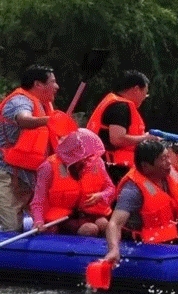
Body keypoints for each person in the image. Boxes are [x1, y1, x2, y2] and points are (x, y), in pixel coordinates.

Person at [102, 140, 178, 264]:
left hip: (174, 234)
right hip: (147, 245)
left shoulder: (168, 171)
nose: (169, 162)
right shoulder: (133, 189)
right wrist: (113, 249)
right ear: (146, 166)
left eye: (167, 157)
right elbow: (115, 223)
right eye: (163, 159)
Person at [0, 65, 63, 232]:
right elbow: (24, 119)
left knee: (49, 225)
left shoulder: (44, 106)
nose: (57, 87)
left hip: (34, 177)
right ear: (38, 84)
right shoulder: (20, 101)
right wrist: (52, 120)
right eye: (53, 82)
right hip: (8, 175)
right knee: (11, 228)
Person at [30, 129, 114, 236]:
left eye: (89, 156)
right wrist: (38, 221)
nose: (87, 160)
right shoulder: (48, 167)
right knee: (90, 229)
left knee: (104, 224)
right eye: (84, 156)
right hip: (60, 219)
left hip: (86, 214)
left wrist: (101, 196)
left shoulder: (95, 161)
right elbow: (38, 200)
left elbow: (111, 188)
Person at [86, 70, 159, 184]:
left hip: (104, 164)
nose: (145, 97)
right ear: (135, 89)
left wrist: (146, 137)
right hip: (113, 168)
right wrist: (145, 138)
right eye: (145, 93)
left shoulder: (114, 102)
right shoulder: (120, 107)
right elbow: (117, 139)